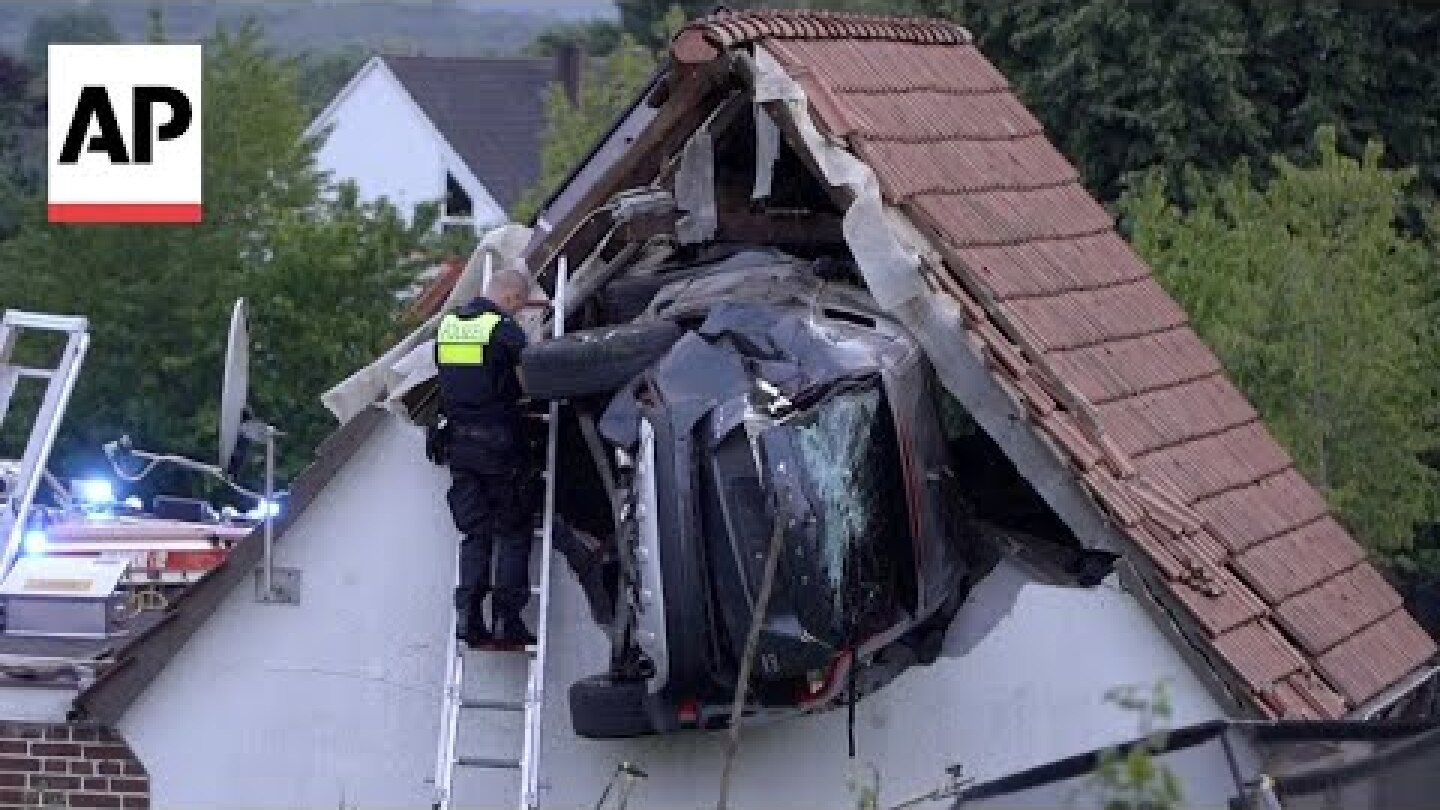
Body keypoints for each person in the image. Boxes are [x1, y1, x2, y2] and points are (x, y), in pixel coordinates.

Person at [429, 268, 536, 649]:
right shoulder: (505, 330)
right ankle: (508, 622)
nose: (519, 313)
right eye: (519, 306)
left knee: (475, 533)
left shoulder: (449, 325)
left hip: (459, 446)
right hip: (499, 446)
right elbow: (528, 384)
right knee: (512, 530)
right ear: (510, 297)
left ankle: (469, 619)